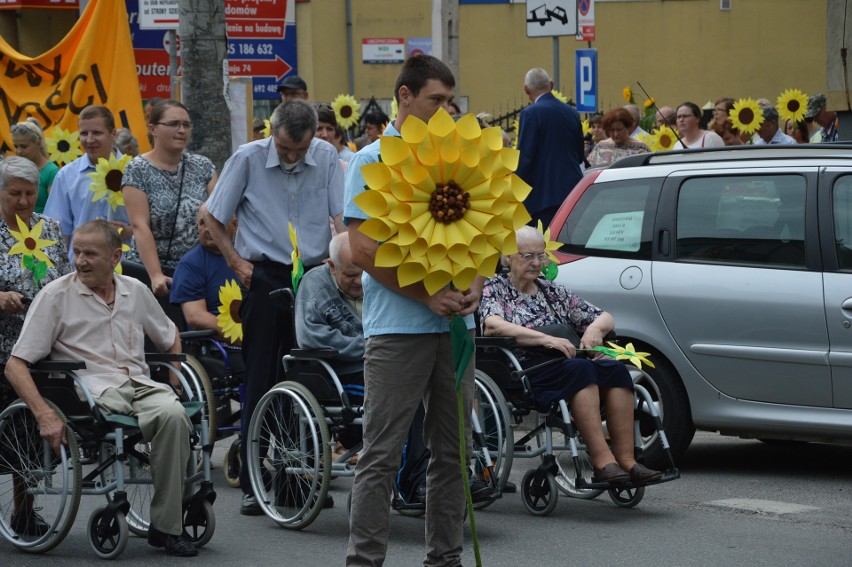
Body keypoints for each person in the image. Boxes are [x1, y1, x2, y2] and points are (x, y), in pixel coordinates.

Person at [344, 53, 479, 567]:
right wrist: (426, 295)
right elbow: (362, 250)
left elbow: (485, 231)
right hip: (399, 329)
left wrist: (477, 286)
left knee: (454, 453)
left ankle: (445, 558)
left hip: (456, 328)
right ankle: (365, 560)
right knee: (381, 453)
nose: (446, 111)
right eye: (436, 100)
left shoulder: (459, 155)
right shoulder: (370, 159)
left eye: (451, 101)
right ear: (404, 96)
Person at [4, 219, 198, 556]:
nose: (80, 261)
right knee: (155, 415)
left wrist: (175, 375)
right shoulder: (56, 296)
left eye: (91, 253)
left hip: (138, 383)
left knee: (174, 415)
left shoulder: (135, 291)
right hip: (90, 392)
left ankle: (166, 527)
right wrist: (44, 414)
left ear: (115, 256)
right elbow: (15, 365)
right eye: (76, 252)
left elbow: (169, 336)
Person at [203, 98, 344, 515]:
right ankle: (254, 478)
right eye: (285, 149)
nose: (293, 158)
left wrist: (343, 260)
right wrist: (235, 261)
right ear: (272, 133)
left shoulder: (326, 156)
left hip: (316, 275)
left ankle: (300, 476)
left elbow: (341, 217)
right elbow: (213, 216)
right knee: (262, 375)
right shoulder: (247, 158)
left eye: (300, 151)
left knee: (309, 374)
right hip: (264, 274)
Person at [479, 225, 662, 484]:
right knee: (582, 370)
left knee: (616, 370)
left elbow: (604, 316)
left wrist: (594, 330)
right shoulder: (494, 288)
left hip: (563, 361)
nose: (536, 262)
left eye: (540, 255)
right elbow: (493, 325)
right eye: (528, 255)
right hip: (524, 367)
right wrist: (546, 338)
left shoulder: (551, 291)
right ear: (509, 257)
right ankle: (602, 462)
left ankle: (627, 460)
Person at [122, 99, 218, 297]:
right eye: (174, 124)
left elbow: (218, 217)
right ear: (153, 129)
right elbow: (140, 225)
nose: (182, 130)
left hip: (196, 270)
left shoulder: (203, 166)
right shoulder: (137, 169)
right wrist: (156, 275)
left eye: (186, 124)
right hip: (151, 274)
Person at [44, 105, 131, 258]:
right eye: (84, 133)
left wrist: (128, 231)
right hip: (81, 268)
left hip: (126, 267)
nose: (90, 140)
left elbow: (150, 226)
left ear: (113, 134)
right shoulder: (66, 175)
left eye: (97, 133)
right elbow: (57, 231)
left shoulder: (134, 172)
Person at [516, 67, 584, 228]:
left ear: (526, 89)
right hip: (573, 192)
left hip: (542, 196)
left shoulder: (530, 114)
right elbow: (580, 155)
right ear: (551, 85)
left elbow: (525, 160)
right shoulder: (572, 112)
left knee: (545, 246)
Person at [170, 208, 239, 341]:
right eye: (203, 223)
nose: (208, 229)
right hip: (217, 346)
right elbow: (196, 316)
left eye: (216, 222)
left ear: (234, 225)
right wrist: (242, 337)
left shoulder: (248, 256)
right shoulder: (190, 264)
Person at [10, 121, 59, 214]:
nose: (19, 151)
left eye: (24, 146)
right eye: (16, 146)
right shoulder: (14, 170)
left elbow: (56, 209)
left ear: (38, 143)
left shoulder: (52, 172)